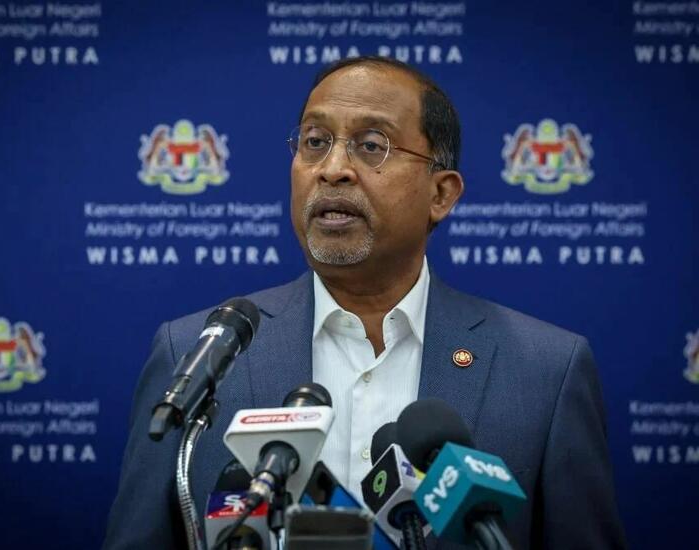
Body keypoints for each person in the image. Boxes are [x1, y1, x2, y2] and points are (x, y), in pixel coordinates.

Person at [104, 57, 627, 549]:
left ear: (441, 193)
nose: (333, 169)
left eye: (372, 145)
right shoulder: (197, 354)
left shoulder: (545, 371)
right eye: (314, 142)